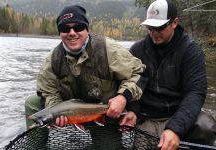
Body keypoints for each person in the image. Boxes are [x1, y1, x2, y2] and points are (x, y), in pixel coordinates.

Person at [25, 5, 145, 130]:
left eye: (78, 27)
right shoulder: (52, 60)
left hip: (106, 112)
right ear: (60, 32)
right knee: (32, 103)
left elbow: (138, 73)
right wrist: (55, 114)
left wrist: (123, 97)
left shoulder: (108, 49)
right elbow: (47, 93)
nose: (72, 33)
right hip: (71, 111)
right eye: (65, 28)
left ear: (86, 29)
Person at [128, 0, 211, 149]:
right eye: (150, 27)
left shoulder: (190, 50)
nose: (154, 32)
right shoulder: (137, 50)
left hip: (178, 113)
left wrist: (175, 128)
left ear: (174, 23)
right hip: (148, 118)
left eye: (159, 27)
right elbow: (129, 84)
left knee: (206, 125)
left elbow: (196, 92)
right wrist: (133, 110)